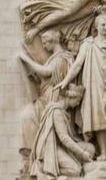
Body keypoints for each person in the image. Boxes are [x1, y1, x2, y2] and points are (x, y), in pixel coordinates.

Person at [56, 8, 106, 163]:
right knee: (99, 119)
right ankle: (104, 153)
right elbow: (78, 64)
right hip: (96, 86)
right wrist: (65, 81)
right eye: (103, 25)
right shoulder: (88, 44)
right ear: (96, 26)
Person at [17, 29, 73, 164]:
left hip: (52, 99)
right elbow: (47, 78)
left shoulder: (61, 57)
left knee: (27, 116)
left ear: (52, 41)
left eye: (45, 43)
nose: (44, 46)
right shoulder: (55, 58)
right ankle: (33, 156)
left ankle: (35, 156)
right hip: (46, 96)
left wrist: (26, 60)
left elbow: (47, 72)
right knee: (27, 116)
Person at [30, 84, 96, 180]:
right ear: (70, 97)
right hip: (49, 148)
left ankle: (72, 162)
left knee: (90, 148)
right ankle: (45, 170)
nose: (78, 104)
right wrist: (82, 153)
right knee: (75, 170)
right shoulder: (57, 111)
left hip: (59, 146)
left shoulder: (64, 112)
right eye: (78, 100)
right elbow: (64, 138)